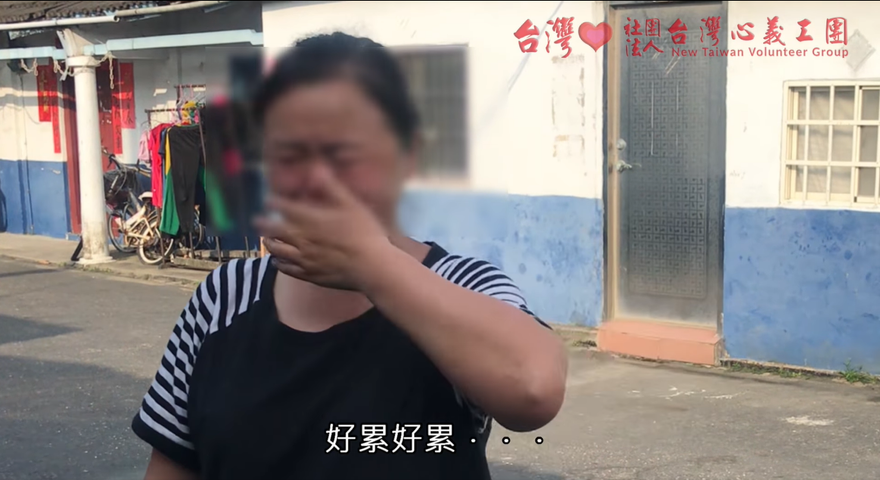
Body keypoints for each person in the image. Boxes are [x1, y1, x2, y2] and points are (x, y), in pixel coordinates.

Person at [132, 32, 568, 480]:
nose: (316, 176)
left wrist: (370, 266)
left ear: (409, 155)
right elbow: (172, 466)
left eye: (346, 150)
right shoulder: (223, 297)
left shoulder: (461, 285)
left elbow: (534, 389)